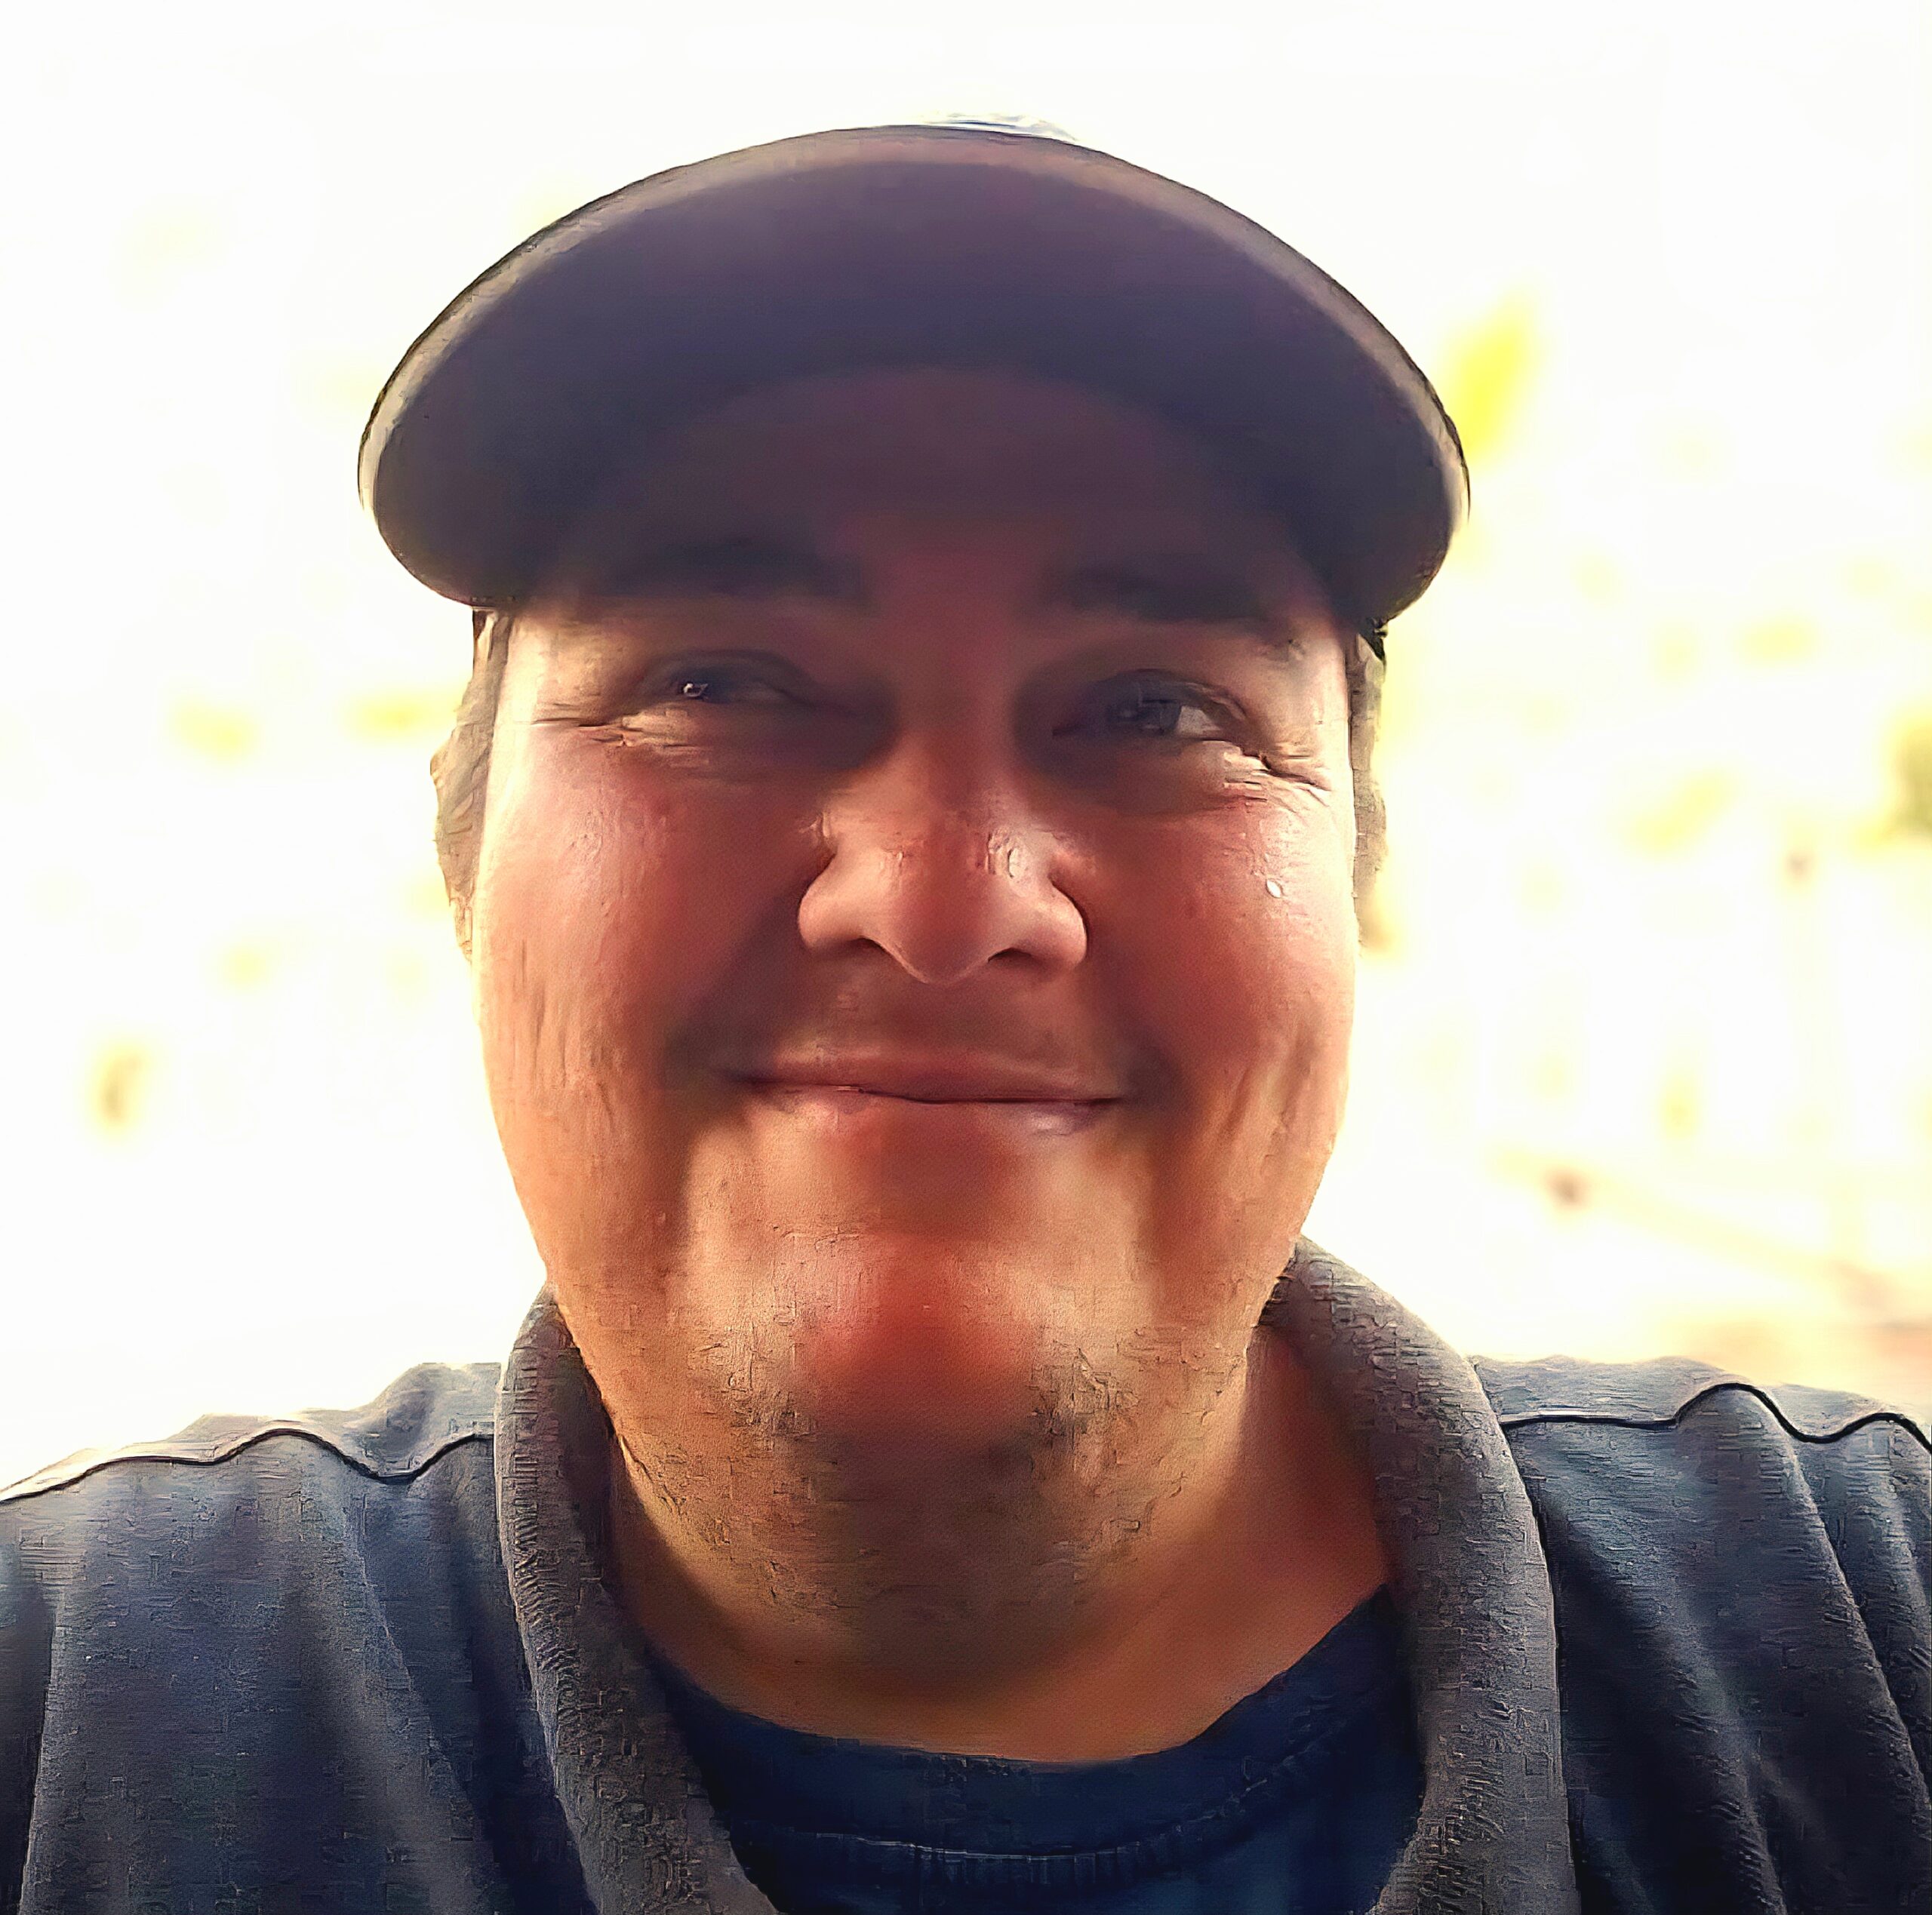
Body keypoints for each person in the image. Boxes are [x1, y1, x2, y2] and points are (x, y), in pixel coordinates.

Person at [2, 115, 1927, 1915]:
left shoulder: (1868, 1630)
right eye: (725, 682)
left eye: (1157, 709)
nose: (937, 904)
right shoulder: (65, 1708)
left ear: (1355, 896)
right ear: (465, 859)